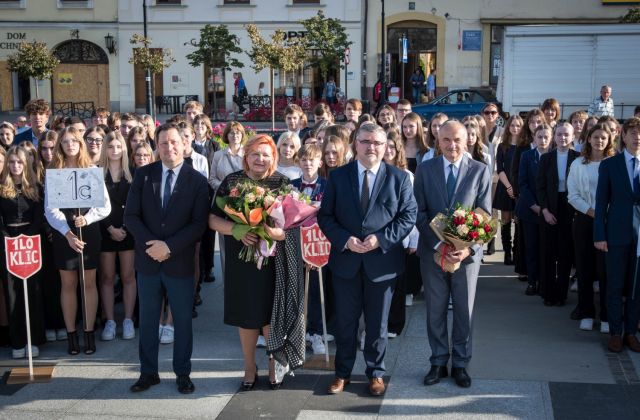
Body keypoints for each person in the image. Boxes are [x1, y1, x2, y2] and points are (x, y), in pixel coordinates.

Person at [318, 122, 417, 397]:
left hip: (382, 263)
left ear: (385, 147)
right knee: (345, 323)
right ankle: (342, 373)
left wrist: (381, 239)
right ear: (355, 144)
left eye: (376, 142)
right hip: (345, 262)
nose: (371, 147)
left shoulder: (399, 178)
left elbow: (408, 216)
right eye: (365, 141)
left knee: (377, 324)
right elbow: (325, 216)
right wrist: (345, 240)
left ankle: (375, 373)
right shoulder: (338, 177)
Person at [124, 123, 209, 394]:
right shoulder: (144, 175)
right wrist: (153, 246)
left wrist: (169, 247)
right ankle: (148, 373)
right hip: (148, 261)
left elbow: (198, 225)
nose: (169, 147)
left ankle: (182, 373)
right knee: (148, 321)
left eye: (174, 142)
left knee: (182, 321)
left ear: (184, 145)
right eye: (163, 143)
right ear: (156, 146)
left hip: (179, 262)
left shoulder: (196, 180)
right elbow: (131, 217)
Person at [414, 120, 491, 389]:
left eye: (457, 140)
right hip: (432, 254)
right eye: (446, 140)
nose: (452, 145)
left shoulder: (480, 171)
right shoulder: (424, 170)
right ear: (438, 141)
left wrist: (467, 247)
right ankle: (437, 361)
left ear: (468, 140)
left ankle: (460, 364)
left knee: (463, 310)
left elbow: (485, 215)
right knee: (435, 310)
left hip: (466, 257)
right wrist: (439, 246)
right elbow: (419, 213)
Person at [208, 134, 288, 390]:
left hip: (272, 261)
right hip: (240, 261)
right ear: (246, 157)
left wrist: (273, 233)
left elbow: (291, 226)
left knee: (270, 313)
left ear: (273, 158)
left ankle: (274, 363)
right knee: (247, 315)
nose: (260, 159)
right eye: (255, 154)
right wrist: (237, 229)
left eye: (265, 154)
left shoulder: (282, 183)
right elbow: (212, 220)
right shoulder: (232, 182)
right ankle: (249, 365)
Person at [45, 126, 112, 355]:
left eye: (74, 141)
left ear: (80, 144)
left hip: (88, 231)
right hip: (65, 235)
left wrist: (88, 218)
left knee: (89, 282)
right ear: (60, 147)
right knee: (68, 284)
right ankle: (71, 334)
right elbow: (50, 209)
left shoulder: (92, 170)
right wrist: (68, 233)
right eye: (65, 142)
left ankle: (89, 331)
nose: (70, 145)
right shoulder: (55, 172)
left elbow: (104, 206)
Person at [594, 117, 640, 353]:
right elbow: (601, 202)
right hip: (615, 234)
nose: (637, 137)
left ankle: (631, 332)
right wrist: (599, 235)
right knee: (614, 284)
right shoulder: (611, 165)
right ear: (623, 136)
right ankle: (615, 332)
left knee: (635, 287)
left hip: (639, 238)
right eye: (633, 132)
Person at [0, 146, 46, 359]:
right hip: (8, 243)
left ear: (25, 164)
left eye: (19, 162)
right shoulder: (1, 188)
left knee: (32, 291)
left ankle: (33, 340)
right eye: (12, 162)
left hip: (31, 241)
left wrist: (27, 236)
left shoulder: (35, 187)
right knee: (12, 293)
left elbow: (39, 217)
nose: (16, 166)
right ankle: (17, 341)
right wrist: (8, 238)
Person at [568, 123, 614, 332]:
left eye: (604, 138)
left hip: (608, 221)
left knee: (605, 271)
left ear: (609, 141)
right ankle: (586, 312)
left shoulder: (614, 164)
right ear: (588, 139)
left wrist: (604, 213)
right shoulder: (578, 163)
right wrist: (592, 212)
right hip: (585, 220)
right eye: (596, 137)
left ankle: (605, 316)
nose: (599, 141)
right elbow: (573, 195)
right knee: (585, 268)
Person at [290, 144, 328, 354]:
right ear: (298, 162)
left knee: (316, 290)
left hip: (318, 244)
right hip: (296, 243)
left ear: (320, 163)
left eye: (312, 159)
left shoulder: (328, 186)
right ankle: (297, 332)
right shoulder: (291, 185)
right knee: (296, 289)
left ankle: (316, 333)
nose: (308, 163)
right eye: (304, 159)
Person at [99, 132, 136, 341]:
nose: (115, 150)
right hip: (105, 231)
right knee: (106, 277)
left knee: (128, 276)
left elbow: (135, 204)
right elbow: (94, 204)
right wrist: (110, 228)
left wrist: (122, 227)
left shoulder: (132, 173)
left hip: (127, 231)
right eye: (110, 146)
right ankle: (111, 321)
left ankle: (128, 319)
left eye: (118, 146)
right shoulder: (97, 173)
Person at [536, 122, 579, 306]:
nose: (562, 138)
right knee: (548, 251)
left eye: (566, 135)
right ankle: (548, 293)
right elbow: (540, 187)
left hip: (569, 207)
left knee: (565, 253)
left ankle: (560, 294)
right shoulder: (546, 158)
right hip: (550, 207)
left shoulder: (578, 158)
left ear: (572, 137)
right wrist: (544, 210)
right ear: (554, 137)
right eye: (559, 134)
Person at [517, 123, 553, 297]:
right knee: (531, 248)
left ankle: (545, 282)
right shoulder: (527, 156)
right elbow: (522, 184)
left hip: (550, 212)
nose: (543, 140)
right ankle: (532, 282)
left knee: (546, 249)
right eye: (540, 137)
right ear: (534, 138)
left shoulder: (555, 157)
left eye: (546, 137)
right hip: (530, 211)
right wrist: (535, 206)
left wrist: (546, 208)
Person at [494, 115, 523, 265]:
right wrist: (509, 187)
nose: (515, 128)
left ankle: (516, 250)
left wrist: (517, 188)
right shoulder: (502, 146)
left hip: (520, 188)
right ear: (508, 127)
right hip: (505, 187)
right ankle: (507, 253)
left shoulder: (524, 146)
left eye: (518, 126)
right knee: (505, 220)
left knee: (518, 220)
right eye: (512, 125)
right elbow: (500, 169)